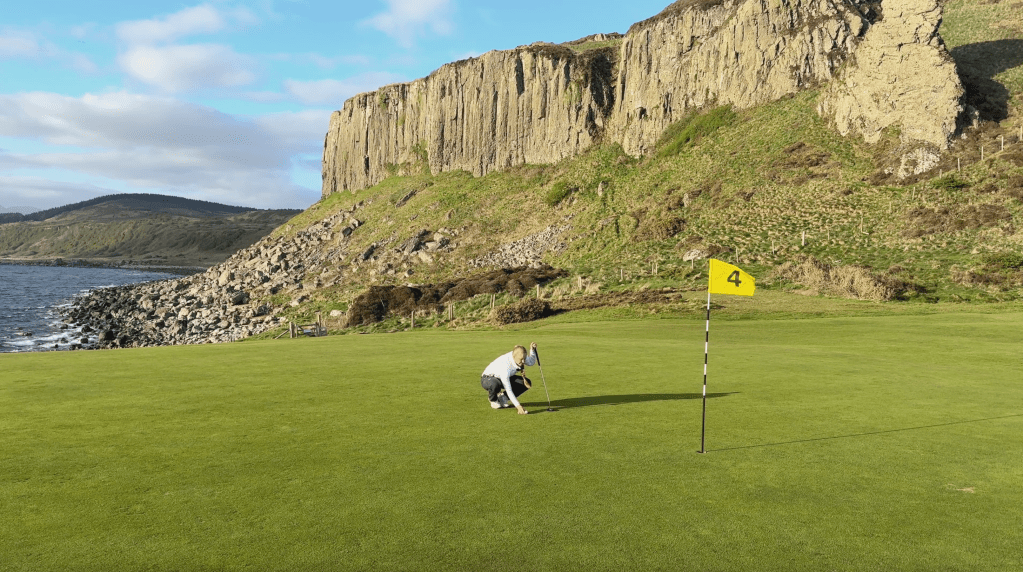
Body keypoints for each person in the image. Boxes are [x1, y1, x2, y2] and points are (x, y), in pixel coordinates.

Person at [481, 342, 537, 415]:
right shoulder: (506, 367)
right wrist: (518, 406)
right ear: (514, 357)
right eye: (521, 360)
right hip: (488, 379)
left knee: (525, 383)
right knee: (495, 384)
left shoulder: (521, 356)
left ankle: (503, 398)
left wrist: (532, 350)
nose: (523, 361)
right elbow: (508, 388)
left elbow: (531, 362)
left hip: (502, 378)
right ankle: (493, 400)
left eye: (524, 359)